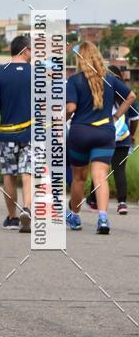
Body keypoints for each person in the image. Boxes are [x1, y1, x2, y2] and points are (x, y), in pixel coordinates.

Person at [66, 42, 136, 234]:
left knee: (79, 178)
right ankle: (103, 218)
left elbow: (71, 108)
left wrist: (60, 120)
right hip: (105, 132)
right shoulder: (110, 80)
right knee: (100, 177)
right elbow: (131, 96)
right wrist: (115, 117)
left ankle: (75, 217)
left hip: (80, 132)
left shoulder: (74, 81)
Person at [0, 36, 32, 232]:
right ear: (25, 50)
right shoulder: (37, 72)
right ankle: (27, 208)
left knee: (8, 174)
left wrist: (0, 104)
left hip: (6, 133)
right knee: (28, 172)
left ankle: (12, 217)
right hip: (31, 133)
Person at [85, 65, 138, 215]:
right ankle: (122, 203)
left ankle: (93, 199)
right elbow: (135, 119)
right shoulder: (127, 96)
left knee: (99, 169)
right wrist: (132, 135)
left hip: (103, 136)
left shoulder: (99, 94)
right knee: (119, 170)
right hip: (122, 138)